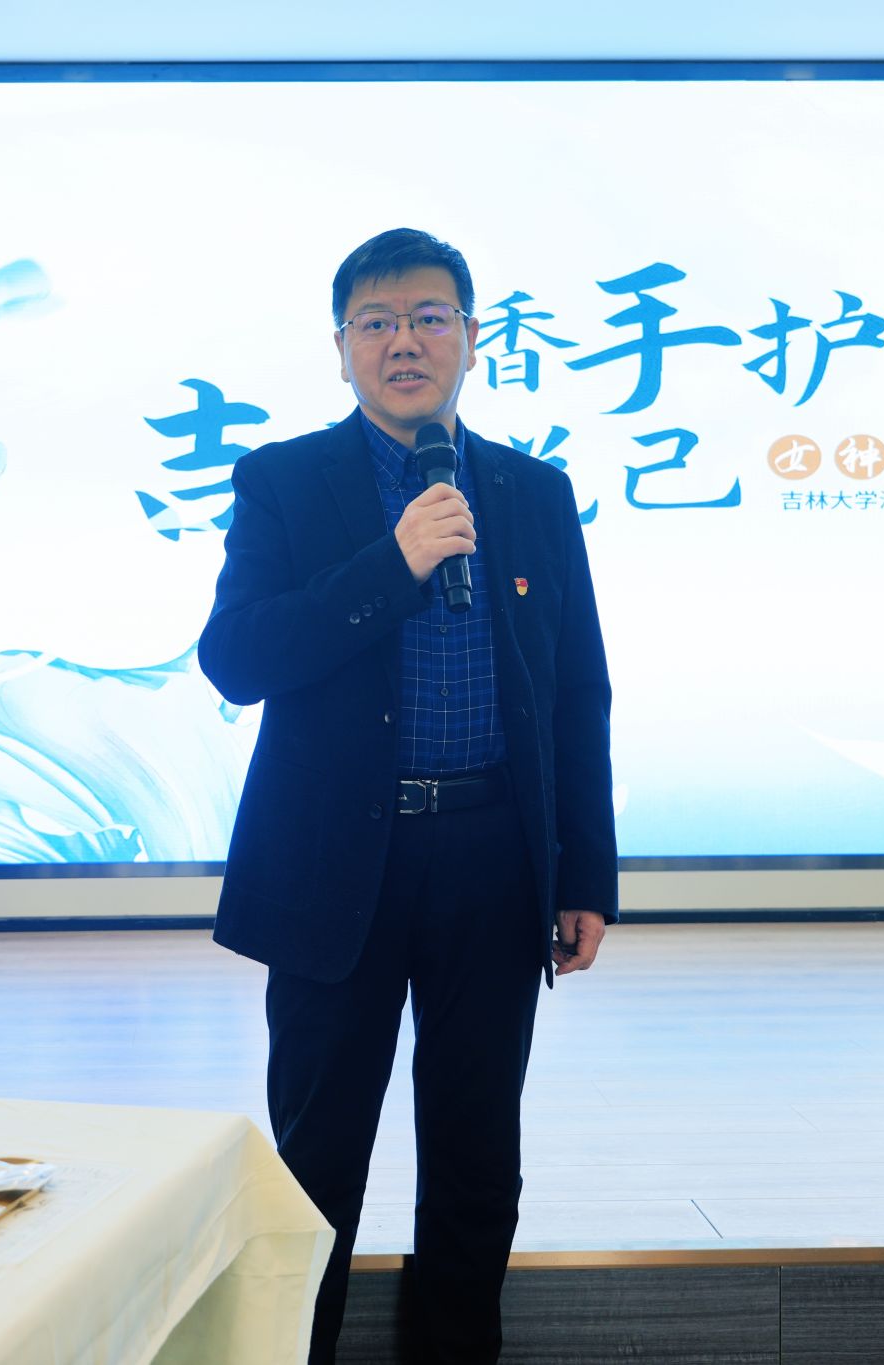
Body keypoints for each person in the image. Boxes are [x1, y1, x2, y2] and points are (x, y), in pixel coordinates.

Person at [198, 227, 618, 1364]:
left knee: (478, 1155)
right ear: (340, 348)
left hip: (491, 859)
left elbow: (575, 689)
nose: (404, 342)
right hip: (341, 864)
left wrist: (583, 873)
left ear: (472, 340)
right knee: (317, 1158)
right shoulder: (284, 481)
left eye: (430, 318)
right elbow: (237, 657)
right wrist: (395, 563)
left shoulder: (534, 492)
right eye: (376, 322)